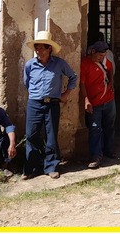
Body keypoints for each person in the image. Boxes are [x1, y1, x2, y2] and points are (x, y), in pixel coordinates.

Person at [23, 31, 77, 180]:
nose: (39, 51)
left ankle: (52, 167)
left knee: (51, 135)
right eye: (37, 48)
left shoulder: (59, 64)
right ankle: (31, 168)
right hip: (34, 103)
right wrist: (36, 95)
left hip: (52, 104)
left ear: (49, 49)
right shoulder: (29, 65)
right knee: (32, 135)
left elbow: (73, 77)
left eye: (42, 48)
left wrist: (66, 94)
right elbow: (27, 82)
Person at [80, 41, 117, 169]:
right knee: (95, 129)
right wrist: (86, 101)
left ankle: (109, 150)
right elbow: (82, 84)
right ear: (93, 52)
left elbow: (110, 69)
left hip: (109, 100)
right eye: (100, 55)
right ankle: (95, 156)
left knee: (109, 126)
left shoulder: (105, 61)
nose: (102, 57)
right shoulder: (85, 64)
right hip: (94, 102)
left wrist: (111, 82)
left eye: (104, 55)